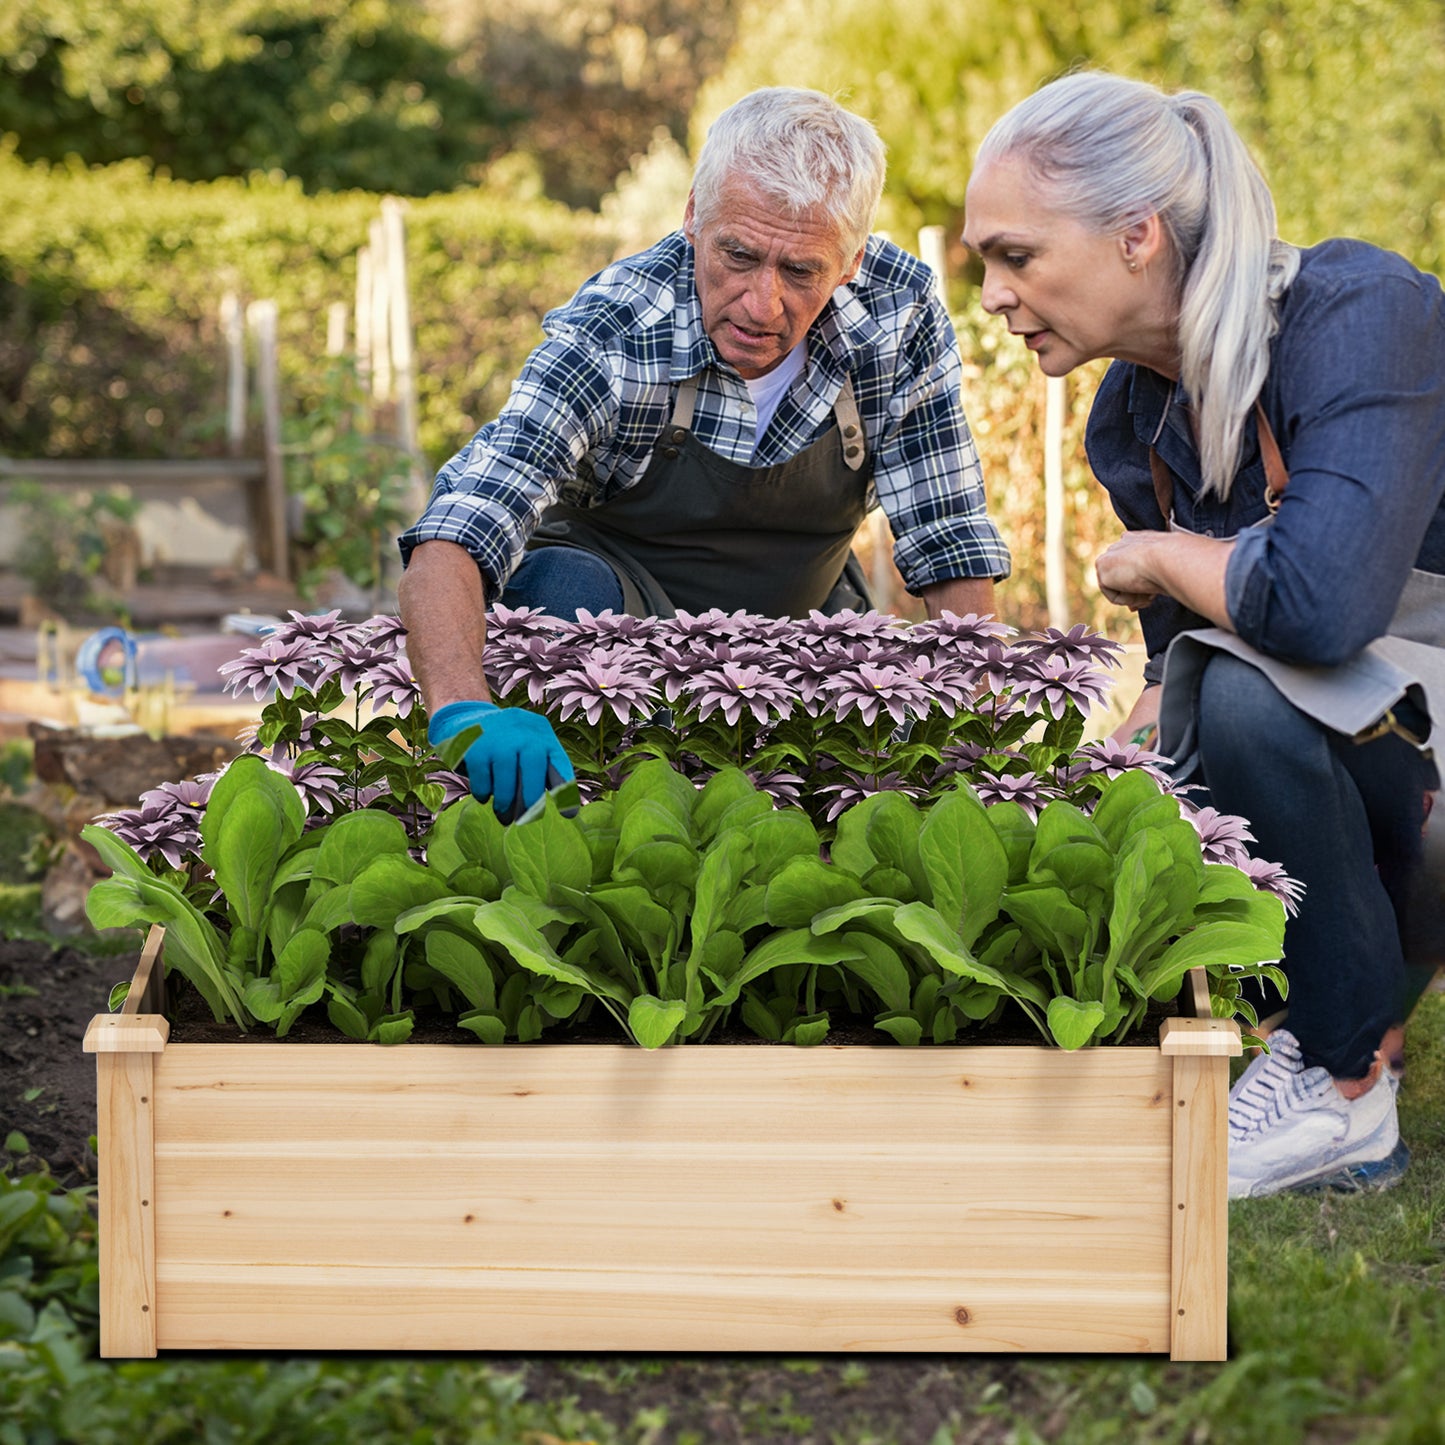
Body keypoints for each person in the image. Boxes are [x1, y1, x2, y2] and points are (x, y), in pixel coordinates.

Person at [963, 70, 1445, 1199]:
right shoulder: (1131, 416)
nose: (988, 293)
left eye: (1013, 255)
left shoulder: (1356, 314)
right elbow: (1178, 674)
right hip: (1367, 739)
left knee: (1237, 691)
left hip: (1425, 753)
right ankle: (1308, 1031)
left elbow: (1319, 604)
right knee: (1169, 737)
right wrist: (1081, 789)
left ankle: (1338, 1084)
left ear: (1134, 236)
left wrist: (1154, 556)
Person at [397, 86, 1011, 820]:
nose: (760, 304)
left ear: (849, 262)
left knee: (872, 728)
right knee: (555, 590)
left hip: (799, 622)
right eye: (739, 255)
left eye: (799, 272)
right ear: (693, 216)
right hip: (608, 623)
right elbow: (463, 522)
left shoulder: (896, 317)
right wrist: (465, 711)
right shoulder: (619, 328)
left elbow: (949, 544)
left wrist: (980, 746)